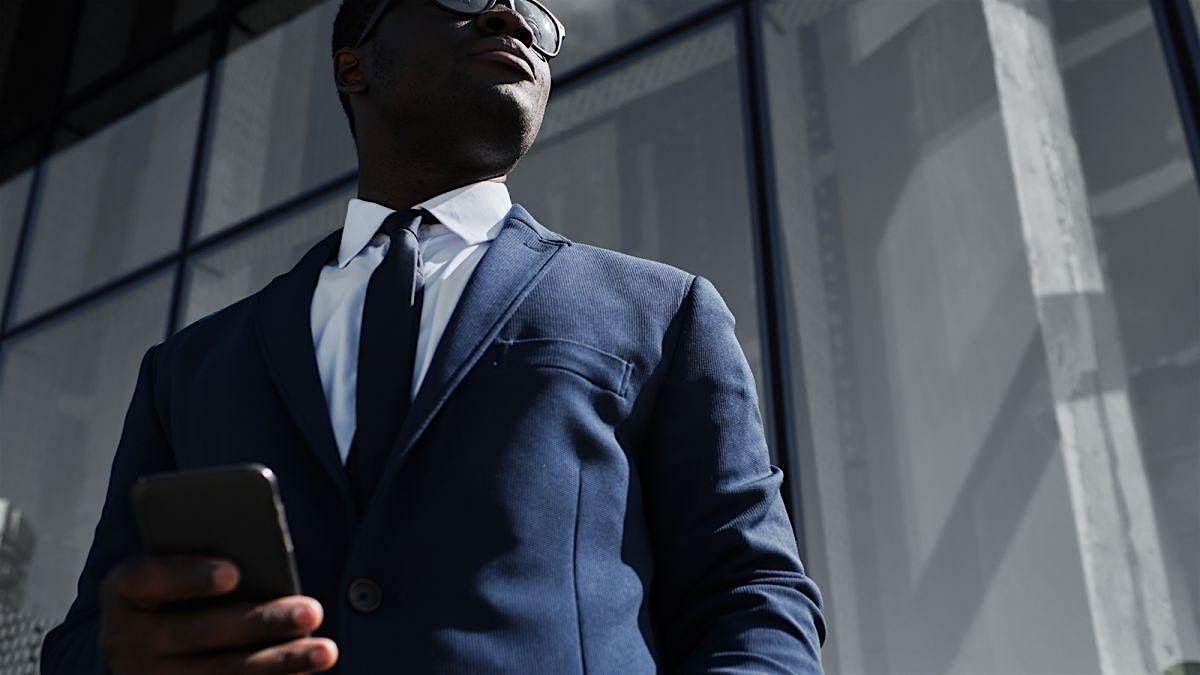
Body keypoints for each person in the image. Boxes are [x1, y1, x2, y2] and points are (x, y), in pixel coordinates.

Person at [40, 0, 826, 672]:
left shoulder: (661, 310)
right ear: (355, 67)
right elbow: (80, 645)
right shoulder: (188, 367)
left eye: (534, 10)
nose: (508, 12)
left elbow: (755, 596)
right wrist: (116, 652)